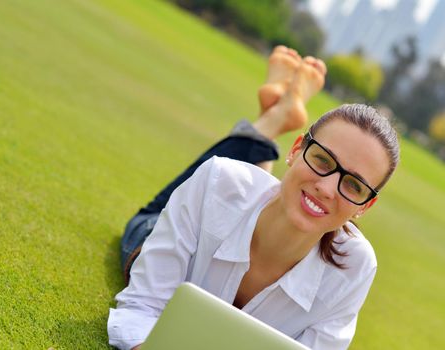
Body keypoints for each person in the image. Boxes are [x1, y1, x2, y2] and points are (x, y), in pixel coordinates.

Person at [108, 46, 400, 350]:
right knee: (195, 195)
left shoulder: (356, 267)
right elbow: (142, 307)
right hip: (166, 226)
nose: (327, 188)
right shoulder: (219, 182)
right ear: (296, 149)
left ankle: (273, 120)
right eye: (323, 160)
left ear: (366, 206)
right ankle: (271, 123)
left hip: (250, 196)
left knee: (260, 189)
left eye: (354, 186)